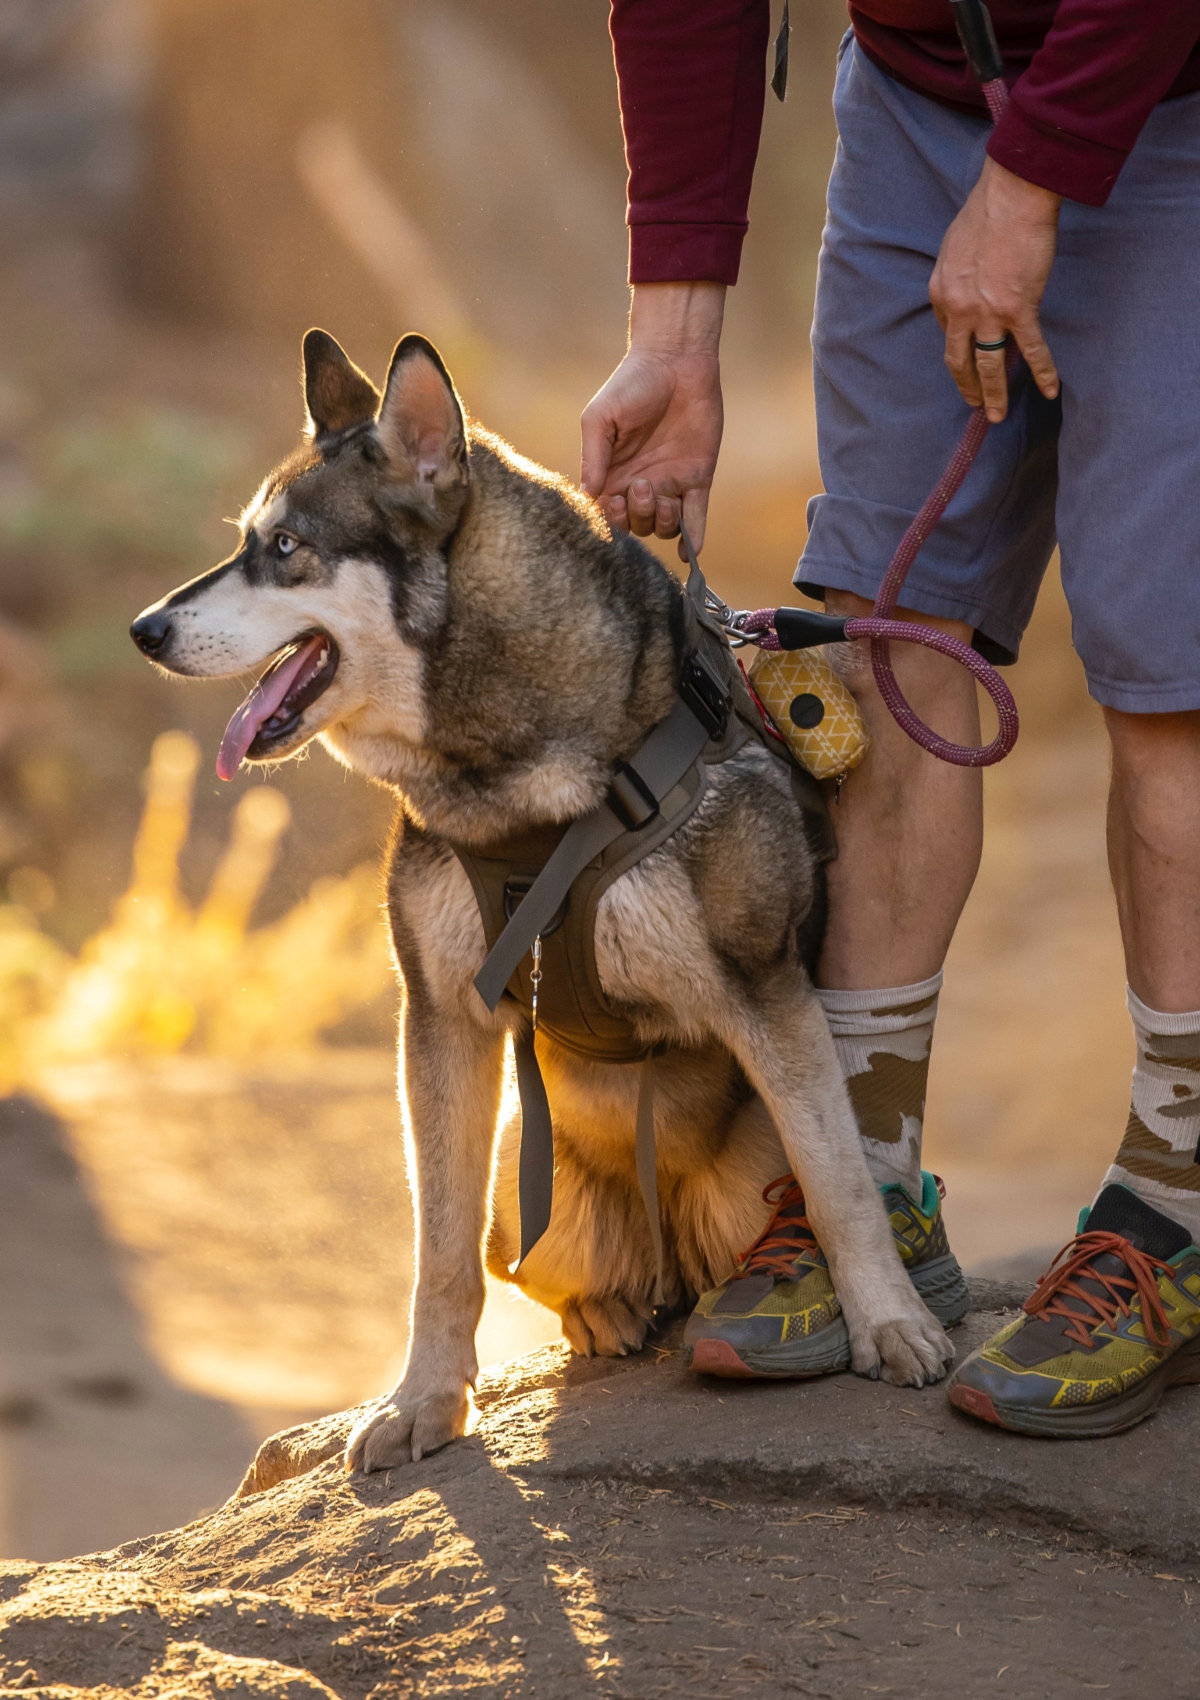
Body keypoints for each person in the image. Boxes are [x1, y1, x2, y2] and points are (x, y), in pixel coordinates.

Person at [581, 0, 1200, 1437]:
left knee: (1171, 688)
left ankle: (1175, 1207)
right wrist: (671, 332)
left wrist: (1032, 180)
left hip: (1171, 96)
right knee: (881, 645)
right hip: (922, 103)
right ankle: (865, 1181)